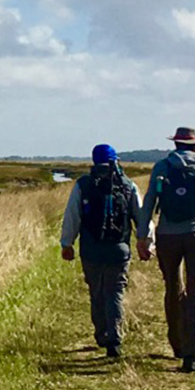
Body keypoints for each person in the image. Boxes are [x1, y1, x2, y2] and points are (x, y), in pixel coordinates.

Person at [138, 126, 195, 373]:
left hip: (167, 235)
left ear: (176, 144)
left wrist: (143, 235)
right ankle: (193, 352)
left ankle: (177, 344)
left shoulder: (162, 167)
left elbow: (149, 204)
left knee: (173, 288)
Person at [60, 144, 143, 359]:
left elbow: (72, 217)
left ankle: (101, 334)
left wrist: (66, 244)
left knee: (96, 293)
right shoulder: (127, 185)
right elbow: (141, 218)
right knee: (115, 292)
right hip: (119, 249)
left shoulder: (83, 185)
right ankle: (114, 339)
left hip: (91, 250)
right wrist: (146, 242)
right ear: (116, 160)